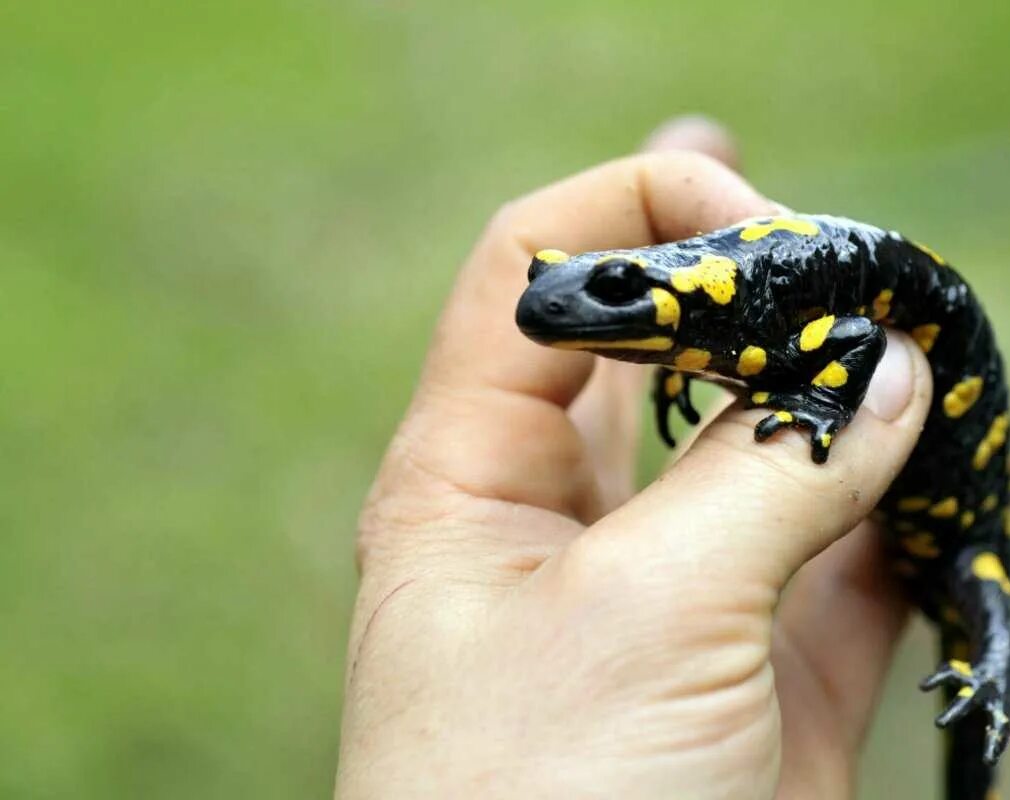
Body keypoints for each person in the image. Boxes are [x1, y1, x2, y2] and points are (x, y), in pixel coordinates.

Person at [335, 117, 933, 799]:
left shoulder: (742, 314)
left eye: (616, 283)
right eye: (545, 275)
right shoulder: (716, 318)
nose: (552, 300)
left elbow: (859, 340)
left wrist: (826, 407)